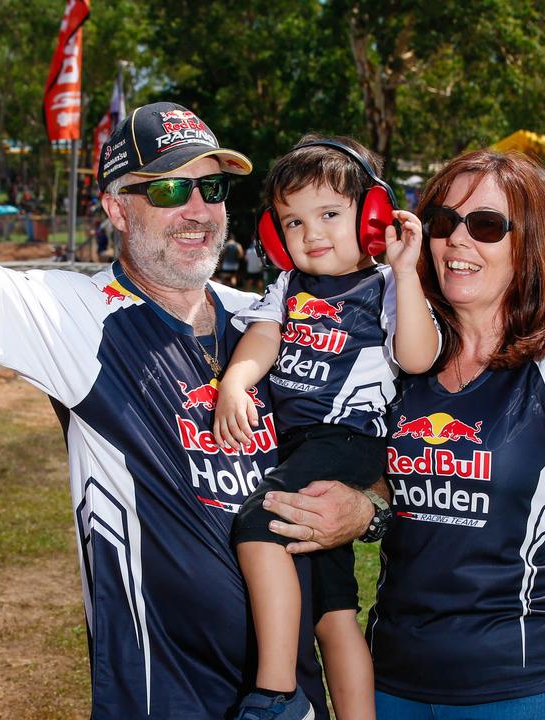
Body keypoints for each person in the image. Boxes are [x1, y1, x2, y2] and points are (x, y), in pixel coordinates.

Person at [0, 59, 386, 719]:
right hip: (161, 698)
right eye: (170, 193)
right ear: (118, 208)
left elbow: (372, 431)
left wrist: (368, 508)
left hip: (290, 703)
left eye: (211, 189)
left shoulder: (269, 319)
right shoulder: (83, 316)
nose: (199, 211)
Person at [265, 149, 545, 718]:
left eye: (485, 225)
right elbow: (378, 479)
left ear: (526, 243)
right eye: (443, 223)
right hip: (393, 680)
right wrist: (364, 511)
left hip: (518, 684)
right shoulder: (402, 342)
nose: (458, 241)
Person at [213, 137, 440, 720]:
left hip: (347, 439)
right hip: (303, 448)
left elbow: (417, 356)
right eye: (293, 221)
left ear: (372, 217)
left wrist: (407, 274)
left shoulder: (387, 286)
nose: (311, 233)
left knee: (257, 526)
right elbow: (262, 339)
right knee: (333, 611)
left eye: (331, 214)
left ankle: (276, 694)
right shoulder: (288, 289)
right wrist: (236, 382)